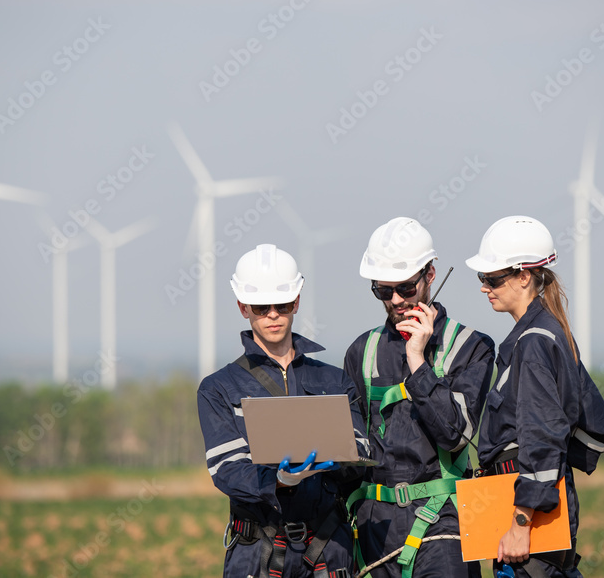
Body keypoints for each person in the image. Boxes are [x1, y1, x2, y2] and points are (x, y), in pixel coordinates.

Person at [198, 243, 367, 578]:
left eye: (283, 303)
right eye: (262, 307)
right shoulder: (218, 388)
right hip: (258, 552)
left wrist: (335, 462)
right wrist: (278, 480)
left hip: (328, 547)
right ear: (243, 307)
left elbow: (361, 451)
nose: (273, 314)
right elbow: (227, 469)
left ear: (297, 302)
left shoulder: (334, 380)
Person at [343, 217, 495, 578]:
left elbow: (454, 435)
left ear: (430, 275)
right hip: (374, 528)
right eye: (383, 290)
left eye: (406, 288)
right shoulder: (361, 351)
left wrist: (417, 360)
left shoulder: (470, 347)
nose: (395, 300)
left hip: (444, 524)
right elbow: (350, 450)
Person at [466, 215, 604, 578]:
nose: (485, 287)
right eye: (482, 278)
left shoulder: (533, 343)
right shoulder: (550, 331)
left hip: (529, 523)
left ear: (523, 276)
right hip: (540, 511)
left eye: (493, 278)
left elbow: (543, 437)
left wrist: (520, 524)